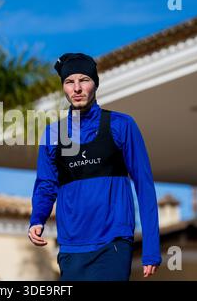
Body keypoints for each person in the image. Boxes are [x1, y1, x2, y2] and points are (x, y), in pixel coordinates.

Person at [28, 52, 161, 281]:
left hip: (113, 243)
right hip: (71, 246)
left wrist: (151, 248)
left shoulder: (121, 125)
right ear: (64, 88)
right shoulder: (53, 133)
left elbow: (144, 186)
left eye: (84, 80)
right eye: (69, 82)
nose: (77, 88)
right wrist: (37, 218)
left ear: (95, 84)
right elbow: (46, 184)